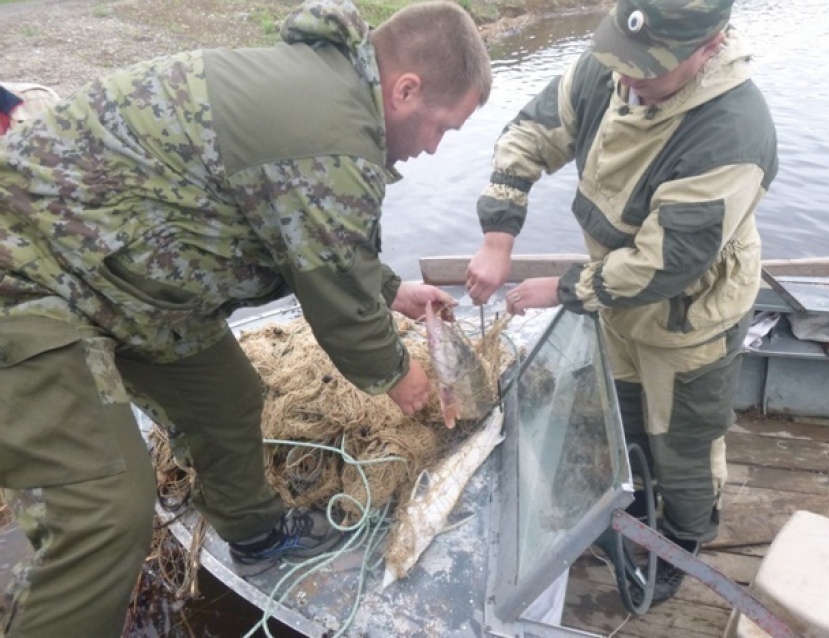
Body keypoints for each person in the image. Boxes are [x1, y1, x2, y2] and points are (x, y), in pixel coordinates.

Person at [0, 0, 491, 634]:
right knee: (105, 510)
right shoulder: (331, 134)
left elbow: (315, 242)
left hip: (116, 280)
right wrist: (407, 380)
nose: (433, 149)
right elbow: (342, 308)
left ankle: (255, 537)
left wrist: (394, 291)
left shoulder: (325, 93)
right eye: (442, 128)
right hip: (26, 277)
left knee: (228, 395)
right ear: (405, 89)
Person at [465, 0, 777, 606]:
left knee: (684, 441)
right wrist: (498, 233)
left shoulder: (733, 131)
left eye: (649, 66)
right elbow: (528, 132)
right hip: (616, 302)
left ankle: (680, 544)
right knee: (626, 412)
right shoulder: (610, 68)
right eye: (623, 57)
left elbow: (664, 266)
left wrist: (562, 288)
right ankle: (634, 502)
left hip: (689, 317)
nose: (627, 77)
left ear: (708, 48)